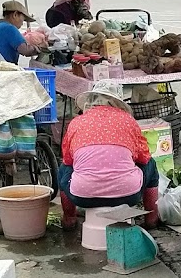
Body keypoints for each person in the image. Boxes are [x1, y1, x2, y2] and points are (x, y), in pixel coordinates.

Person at [58, 80, 159, 230]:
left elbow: (68, 159)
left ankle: (69, 218)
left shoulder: (76, 123)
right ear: (119, 103)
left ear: (91, 101)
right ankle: (152, 217)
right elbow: (143, 157)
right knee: (150, 164)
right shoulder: (128, 121)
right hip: (128, 195)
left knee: (63, 169)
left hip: (82, 196)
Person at [0, 0, 42, 64]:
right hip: (4, 69)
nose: (22, 23)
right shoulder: (9, 28)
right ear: (15, 15)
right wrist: (41, 48)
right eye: (23, 19)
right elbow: (25, 50)